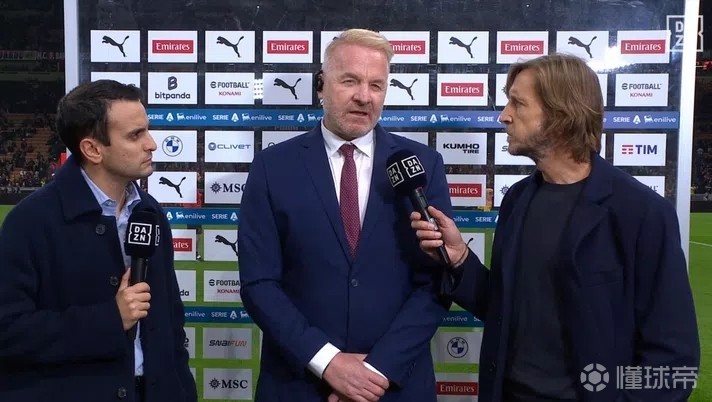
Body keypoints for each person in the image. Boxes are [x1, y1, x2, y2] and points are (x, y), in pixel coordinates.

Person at [410, 53, 700, 401]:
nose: (504, 115)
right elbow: (504, 309)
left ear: (561, 116)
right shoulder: (518, 199)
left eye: (518, 103)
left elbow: (672, 359)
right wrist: (459, 259)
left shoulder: (641, 212)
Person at [239, 28, 452, 402]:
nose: (364, 97)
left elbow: (437, 280)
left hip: (393, 386)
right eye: (350, 81)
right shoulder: (272, 168)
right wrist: (328, 363)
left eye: (376, 85)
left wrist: (376, 371)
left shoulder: (424, 165)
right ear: (321, 85)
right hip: (300, 385)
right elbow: (259, 284)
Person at [0, 80, 197, 402]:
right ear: (93, 149)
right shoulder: (31, 221)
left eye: (147, 131)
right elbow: (8, 331)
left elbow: (171, 322)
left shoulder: (149, 212)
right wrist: (110, 319)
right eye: (135, 135)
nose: (151, 144)